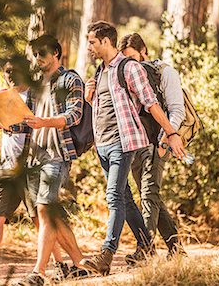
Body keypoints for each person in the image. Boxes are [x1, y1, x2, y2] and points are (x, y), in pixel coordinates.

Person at [79, 21, 186, 275]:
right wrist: (88, 97)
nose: (89, 48)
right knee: (125, 198)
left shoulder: (129, 68)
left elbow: (151, 104)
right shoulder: (99, 72)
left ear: (106, 41)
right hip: (102, 145)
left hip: (123, 143)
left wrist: (171, 133)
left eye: (92, 42)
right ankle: (147, 245)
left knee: (115, 196)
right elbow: (102, 109)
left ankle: (106, 255)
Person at [0, 58, 69, 286]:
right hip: (6, 168)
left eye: (14, 71)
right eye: (6, 72)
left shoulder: (37, 97)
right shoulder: (2, 95)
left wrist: (9, 122)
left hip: (32, 166)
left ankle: (62, 265)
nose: (9, 76)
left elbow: (40, 124)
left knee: (41, 221)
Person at [14, 35, 87, 286]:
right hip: (34, 157)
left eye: (42, 53)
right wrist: (0, 124)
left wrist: (45, 122)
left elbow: (75, 114)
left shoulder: (70, 79)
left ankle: (39, 273)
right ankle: (81, 263)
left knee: (45, 208)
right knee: (48, 214)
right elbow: (27, 122)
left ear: (56, 53)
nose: (38, 59)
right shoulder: (35, 85)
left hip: (57, 155)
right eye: (35, 54)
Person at [118, 33, 187, 263]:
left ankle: (144, 249)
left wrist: (167, 137)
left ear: (144, 50)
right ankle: (176, 247)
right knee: (151, 194)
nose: (131, 65)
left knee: (148, 193)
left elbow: (177, 109)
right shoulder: (125, 74)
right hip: (137, 143)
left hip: (160, 140)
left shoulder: (165, 72)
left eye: (133, 58)